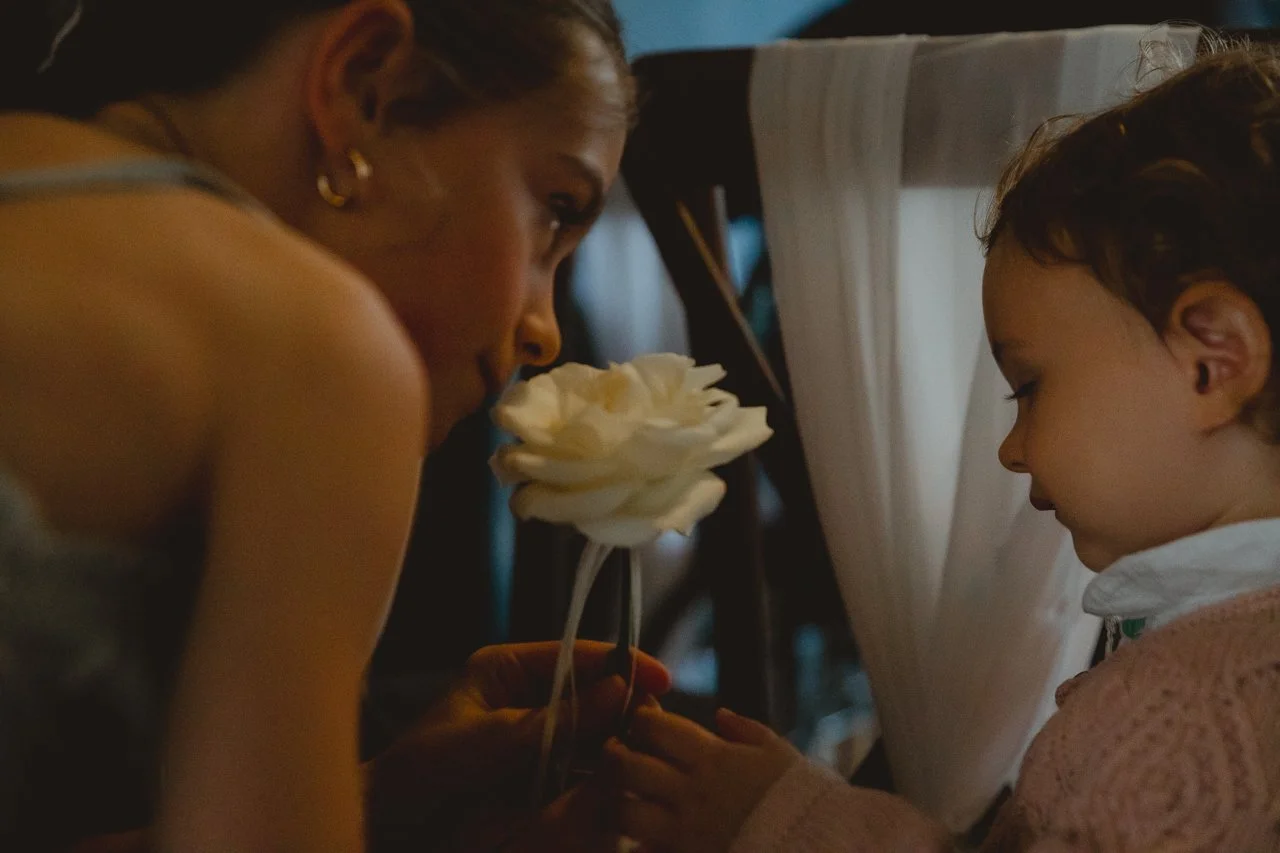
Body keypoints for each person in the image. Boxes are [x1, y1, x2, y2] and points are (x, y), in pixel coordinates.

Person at [0, 1, 674, 851]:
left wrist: (377, 801)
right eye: (554, 207)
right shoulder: (317, 351)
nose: (547, 331)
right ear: (366, 87)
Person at [606, 35, 1280, 853]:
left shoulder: (1194, 711)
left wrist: (788, 823)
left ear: (1214, 360)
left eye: (1029, 386)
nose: (1012, 449)